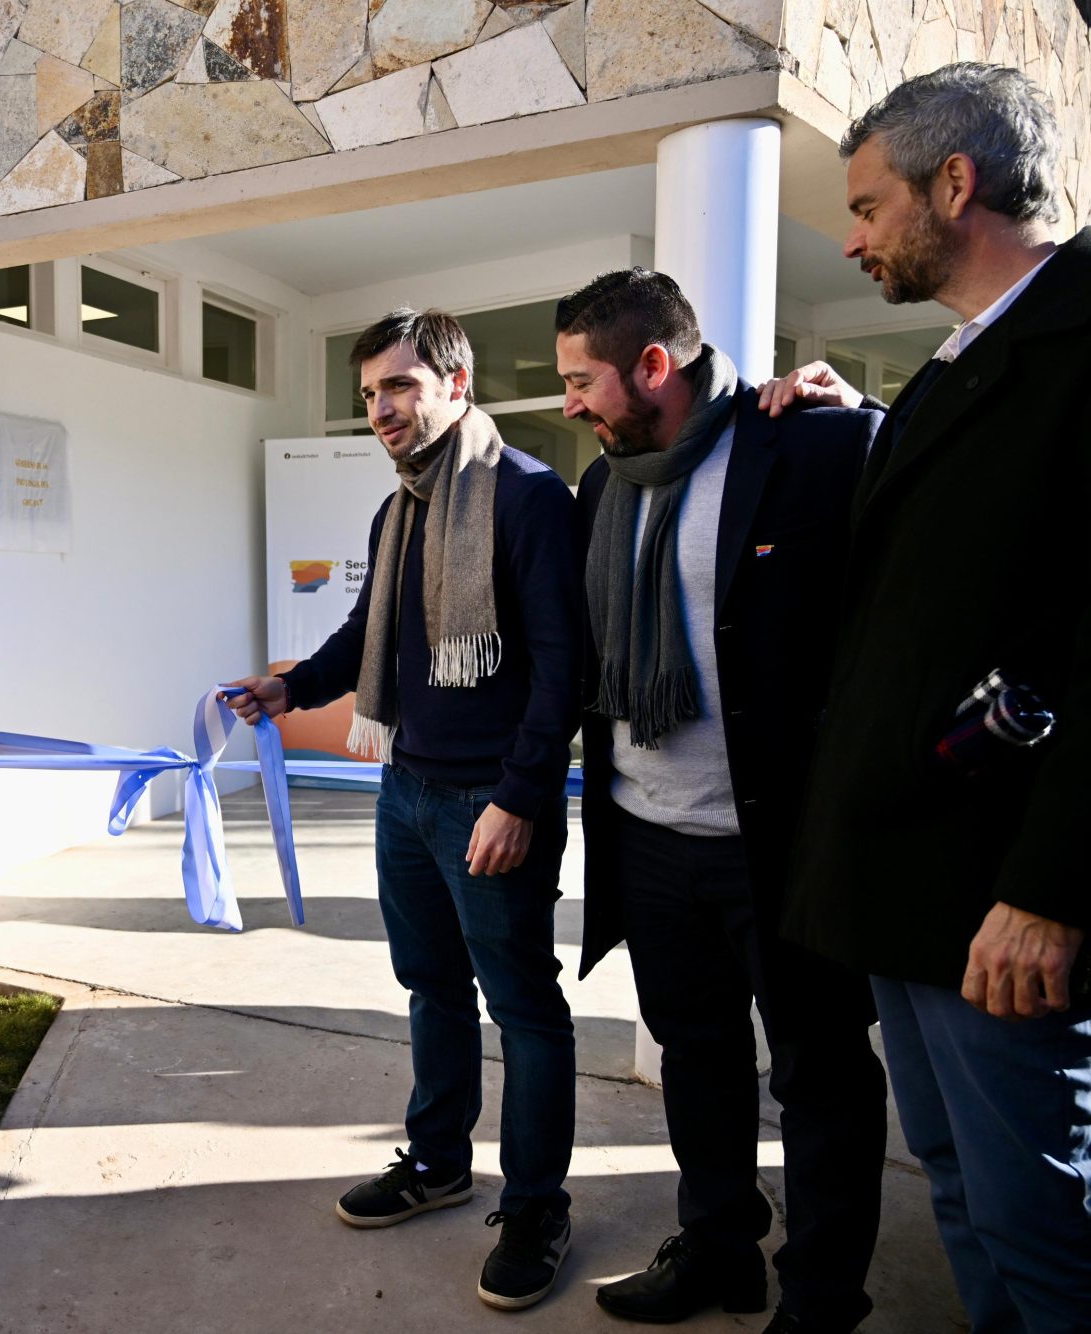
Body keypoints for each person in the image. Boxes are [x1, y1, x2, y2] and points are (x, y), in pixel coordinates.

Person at [758, 63, 1091, 1333]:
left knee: (1040, 1228)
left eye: (863, 203)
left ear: (954, 185)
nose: (846, 236)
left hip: (1000, 903)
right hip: (907, 893)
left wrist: (1049, 888)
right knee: (958, 1191)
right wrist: (879, 419)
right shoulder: (962, 362)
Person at [223, 309, 581, 1312]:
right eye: (370, 391)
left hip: (490, 802)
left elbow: (562, 666)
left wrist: (519, 795)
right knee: (429, 983)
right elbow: (360, 632)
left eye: (399, 386)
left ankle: (536, 1203)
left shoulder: (525, 498)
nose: (378, 408)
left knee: (521, 1006)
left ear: (455, 385)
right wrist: (288, 687)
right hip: (408, 787)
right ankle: (436, 1161)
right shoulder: (402, 508)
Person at [556, 270, 888, 1334]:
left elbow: (930, 513)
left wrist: (873, 411)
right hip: (648, 835)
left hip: (779, 842)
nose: (566, 402)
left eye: (579, 379)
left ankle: (820, 1296)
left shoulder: (808, 444)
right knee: (691, 1055)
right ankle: (715, 1248)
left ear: (653, 366)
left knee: (820, 1079)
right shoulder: (601, 487)